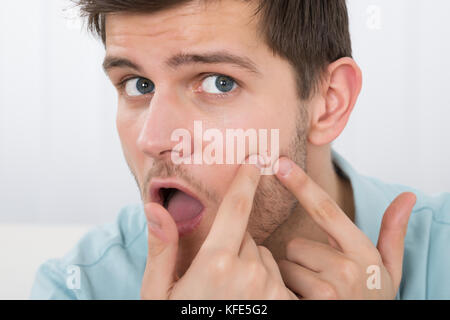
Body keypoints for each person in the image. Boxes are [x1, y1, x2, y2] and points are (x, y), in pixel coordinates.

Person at [30, 0, 450, 299]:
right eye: (138, 85)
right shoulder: (76, 286)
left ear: (328, 101)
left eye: (218, 83)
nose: (153, 139)